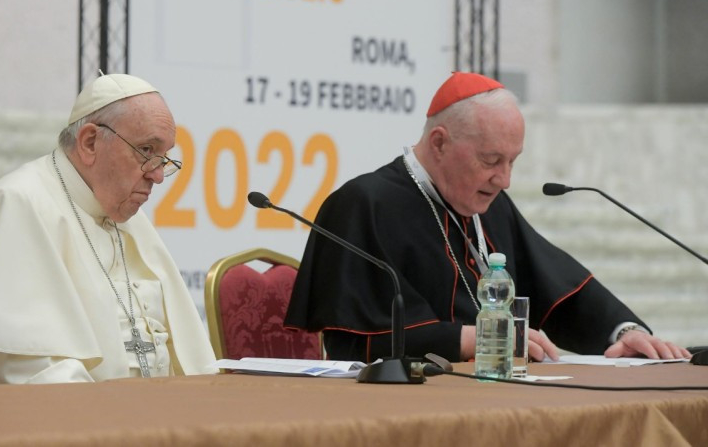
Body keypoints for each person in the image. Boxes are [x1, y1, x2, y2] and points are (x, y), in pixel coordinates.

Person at [284, 71, 691, 364]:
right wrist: (474, 340)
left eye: (513, 161)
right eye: (491, 160)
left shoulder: (489, 205)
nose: (505, 180)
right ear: (439, 143)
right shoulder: (363, 204)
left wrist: (623, 332)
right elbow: (355, 342)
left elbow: (556, 287)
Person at [0, 73, 217, 384]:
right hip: (50, 411)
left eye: (164, 158)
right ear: (89, 142)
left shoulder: (130, 218)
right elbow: (36, 372)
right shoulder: (17, 204)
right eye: (146, 150)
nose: (158, 176)